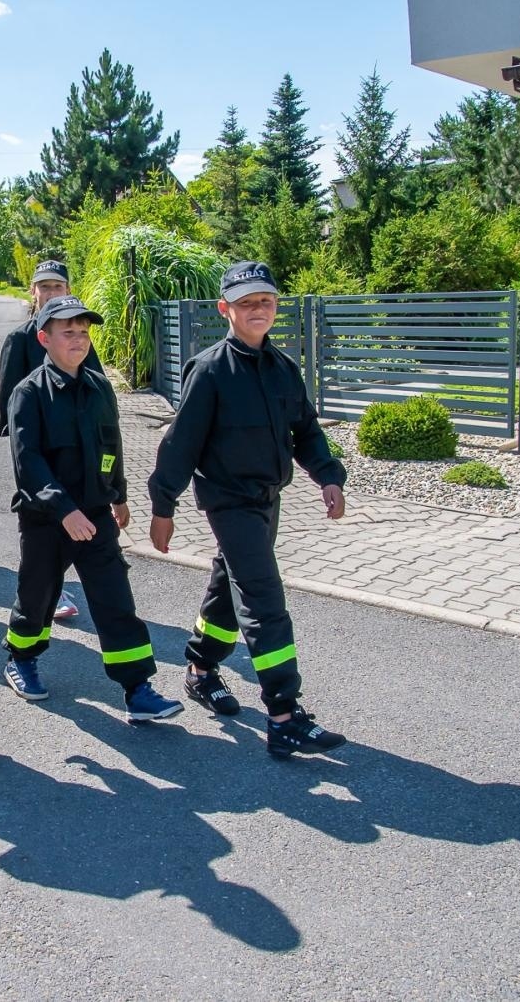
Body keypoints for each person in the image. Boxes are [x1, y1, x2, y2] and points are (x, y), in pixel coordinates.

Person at [146, 261, 349, 758]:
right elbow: (180, 444)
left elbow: (306, 430)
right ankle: (283, 714)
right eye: (246, 302)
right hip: (227, 499)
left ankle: (199, 668)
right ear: (225, 309)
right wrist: (162, 505)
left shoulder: (282, 368)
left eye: (266, 301)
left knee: (227, 587)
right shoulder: (210, 370)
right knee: (262, 598)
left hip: (266, 499)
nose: (259, 309)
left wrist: (328, 475)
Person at [2, 295, 184, 722]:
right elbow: (28, 462)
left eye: (84, 332)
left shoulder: (100, 386)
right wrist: (63, 509)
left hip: (96, 514)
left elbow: (111, 446)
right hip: (47, 518)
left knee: (114, 598)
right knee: (38, 596)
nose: (79, 340)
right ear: (44, 338)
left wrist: (118, 496)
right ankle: (21, 658)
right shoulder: (27, 393)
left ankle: (138, 689)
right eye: (68, 332)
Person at [0, 259, 101, 622]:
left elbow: (98, 390)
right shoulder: (20, 339)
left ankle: (56, 585)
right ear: (33, 291)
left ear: (68, 290)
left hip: (75, 447)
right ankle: (45, 591)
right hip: (35, 447)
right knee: (42, 525)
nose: (51, 292)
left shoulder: (79, 336)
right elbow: (8, 402)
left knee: (73, 517)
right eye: (44, 286)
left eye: (58, 286)